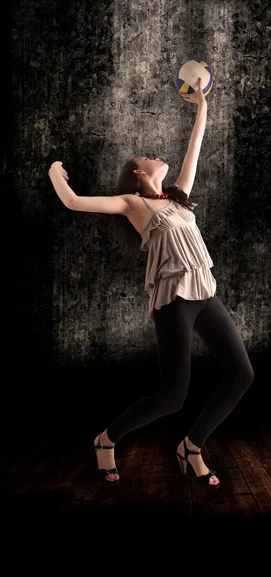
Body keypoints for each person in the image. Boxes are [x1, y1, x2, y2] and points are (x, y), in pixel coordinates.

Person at [48, 78, 254, 489]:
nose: (160, 156)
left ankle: (191, 447)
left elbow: (195, 148)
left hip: (203, 289)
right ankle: (105, 441)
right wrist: (55, 170)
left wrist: (201, 107)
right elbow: (72, 201)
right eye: (150, 156)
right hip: (172, 299)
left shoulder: (177, 197)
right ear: (139, 173)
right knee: (173, 395)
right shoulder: (133, 204)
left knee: (242, 374)